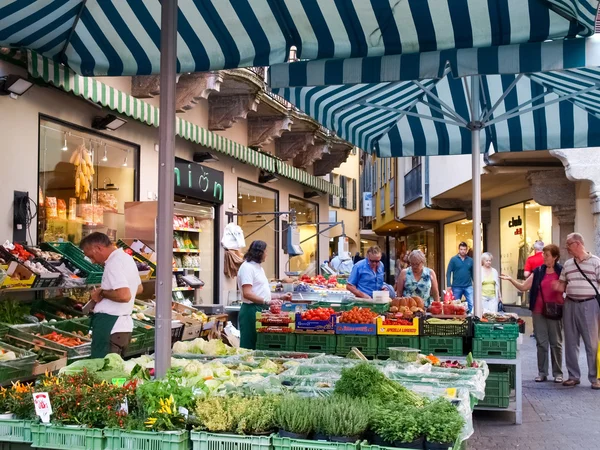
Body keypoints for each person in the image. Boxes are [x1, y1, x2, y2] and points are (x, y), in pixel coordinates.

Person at [501, 244, 563, 383]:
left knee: (556, 342)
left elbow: (568, 287)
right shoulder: (538, 271)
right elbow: (523, 287)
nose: (544, 258)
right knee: (541, 342)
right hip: (538, 311)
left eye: (546, 255)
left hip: (555, 311)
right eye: (543, 255)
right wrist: (511, 279)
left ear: (554, 257)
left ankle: (558, 373)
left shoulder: (561, 271)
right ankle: (542, 373)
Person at [80, 232, 142, 358]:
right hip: (123, 328)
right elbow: (139, 288)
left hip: (111, 326)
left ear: (98, 248)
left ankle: (114, 380)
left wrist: (102, 293)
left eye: (91, 256)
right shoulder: (127, 258)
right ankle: (118, 380)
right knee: (116, 371)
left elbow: (124, 295)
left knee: (104, 370)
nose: (92, 261)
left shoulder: (113, 263)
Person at [552, 233, 600, 389]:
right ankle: (573, 376)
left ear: (578, 244)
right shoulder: (568, 264)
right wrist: (558, 287)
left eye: (569, 244)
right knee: (571, 342)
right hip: (570, 304)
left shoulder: (596, 262)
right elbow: (562, 283)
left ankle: (595, 378)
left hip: (590, 304)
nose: (567, 248)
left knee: (591, 343)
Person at [237, 241, 291, 350]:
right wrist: (267, 302)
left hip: (260, 309)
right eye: (265, 251)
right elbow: (247, 293)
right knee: (250, 345)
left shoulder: (258, 268)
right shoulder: (247, 268)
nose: (267, 254)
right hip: (251, 311)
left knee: (260, 343)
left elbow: (261, 292)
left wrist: (280, 296)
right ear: (259, 252)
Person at [446, 242, 474, 313]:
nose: (463, 251)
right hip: (456, 286)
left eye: (464, 249)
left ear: (467, 250)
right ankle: (456, 319)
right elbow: (448, 272)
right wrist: (448, 285)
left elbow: (473, 273)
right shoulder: (453, 259)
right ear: (458, 249)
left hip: (468, 286)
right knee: (455, 305)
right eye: (461, 249)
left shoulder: (470, 260)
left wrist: (475, 284)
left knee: (471, 303)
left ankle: (471, 319)